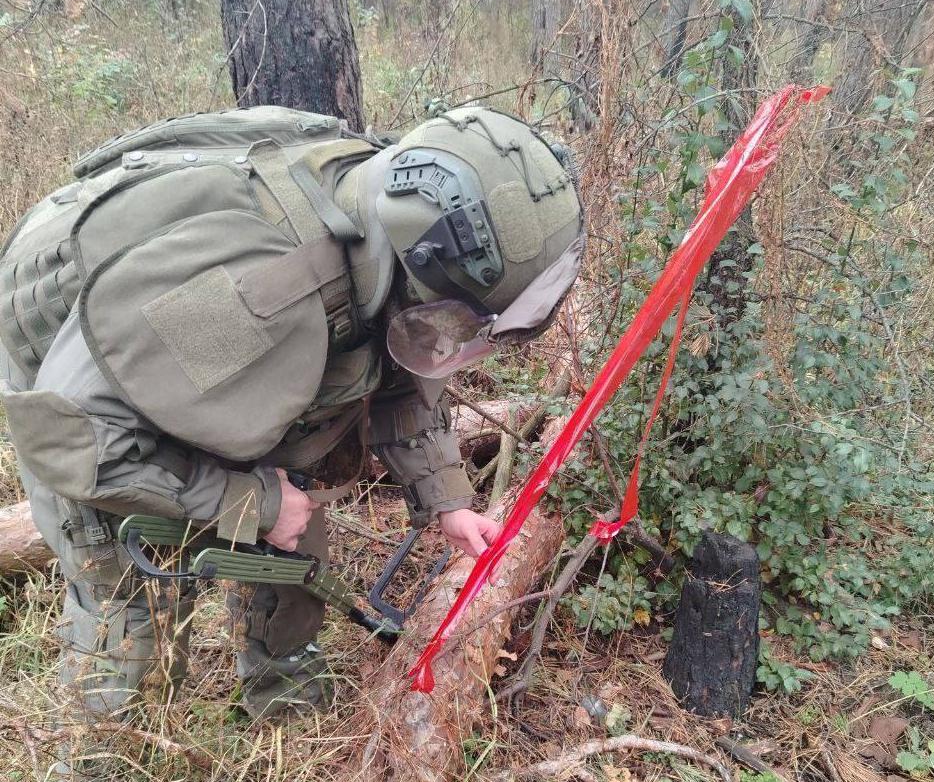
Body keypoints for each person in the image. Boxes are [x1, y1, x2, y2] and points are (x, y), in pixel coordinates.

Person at [0, 105, 583, 729]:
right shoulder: (258, 289)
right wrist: (248, 503)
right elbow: (71, 439)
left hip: (219, 360)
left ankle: (285, 699)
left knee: (297, 557)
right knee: (135, 618)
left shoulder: (393, 237)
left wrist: (447, 500)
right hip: (96, 408)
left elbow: (402, 367)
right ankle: (111, 750)